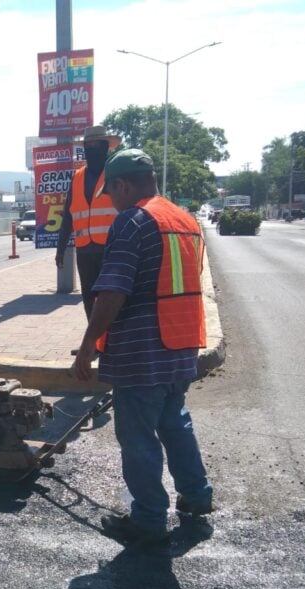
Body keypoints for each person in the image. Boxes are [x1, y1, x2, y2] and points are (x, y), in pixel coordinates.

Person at [71, 149, 213, 547]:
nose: (110, 202)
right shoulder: (184, 220)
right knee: (175, 424)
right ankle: (198, 497)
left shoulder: (133, 221)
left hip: (142, 353)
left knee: (138, 439)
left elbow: (113, 291)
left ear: (122, 185)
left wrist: (87, 346)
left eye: (110, 194)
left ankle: (149, 519)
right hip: (181, 346)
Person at [55, 126, 122, 320]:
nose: (91, 148)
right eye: (88, 145)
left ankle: (111, 342)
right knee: (88, 296)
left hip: (111, 248)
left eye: (96, 144)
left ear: (106, 146)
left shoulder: (115, 174)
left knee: (111, 296)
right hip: (85, 250)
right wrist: (61, 249)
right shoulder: (77, 177)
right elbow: (68, 215)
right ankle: (94, 343)